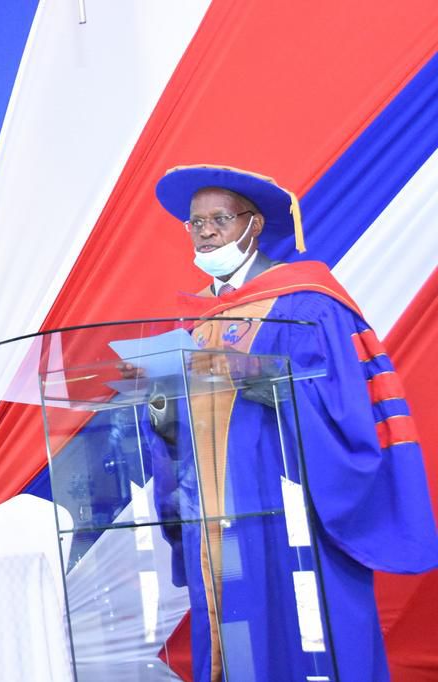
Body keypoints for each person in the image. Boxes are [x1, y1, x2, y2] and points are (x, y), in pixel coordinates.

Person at [143, 165, 438, 682]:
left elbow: (345, 409)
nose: (205, 231)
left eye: (219, 219)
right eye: (195, 223)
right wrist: (161, 413)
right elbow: (183, 436)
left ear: (254, 225)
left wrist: (256, 375)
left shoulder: (308, 304)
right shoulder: (193, 322)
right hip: (217, 516)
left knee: (303, 634)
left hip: (291, 507)